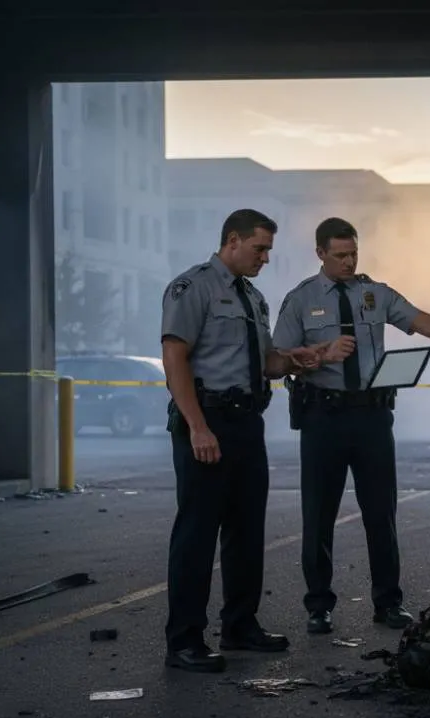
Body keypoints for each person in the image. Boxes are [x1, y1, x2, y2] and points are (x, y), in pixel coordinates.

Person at [272, 216, 430, 635]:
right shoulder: (301, 299)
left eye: (353, 253)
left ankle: (388, 602)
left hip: (372, 418)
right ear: (320, 253)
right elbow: (275, 361)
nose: (348, 262)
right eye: (340, 255)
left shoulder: (375, 294)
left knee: (381, 513)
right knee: (319, 515)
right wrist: (319, 355)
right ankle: (318, 606)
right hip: (323, 418)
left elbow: (421, 320)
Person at [160, 208, 353, 674]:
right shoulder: (193, 287)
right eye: (259, 248)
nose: (265, 258)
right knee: (197, 534)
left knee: (246, 531)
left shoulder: (253, 297)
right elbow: (174, 358)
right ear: (232, 240)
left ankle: (240, 624)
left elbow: (265, 363)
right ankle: (184, 640)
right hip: (208, 420)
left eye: (268, 250)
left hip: (247, 423)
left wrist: (300, 357)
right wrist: (197, 426)